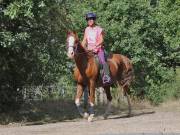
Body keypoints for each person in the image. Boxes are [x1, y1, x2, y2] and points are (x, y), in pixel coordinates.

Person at [81, 12, 111, 85]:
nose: (89, 21)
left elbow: (101, 40)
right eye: (88, 19)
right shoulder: (87, 29)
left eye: (91, 19)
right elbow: (85, 40)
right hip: (89, 51)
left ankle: (106, 76)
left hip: (98, 50)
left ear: (94, 20)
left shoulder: (99, 29)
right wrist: (82, 47)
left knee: (103, 61)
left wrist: (95, 45)